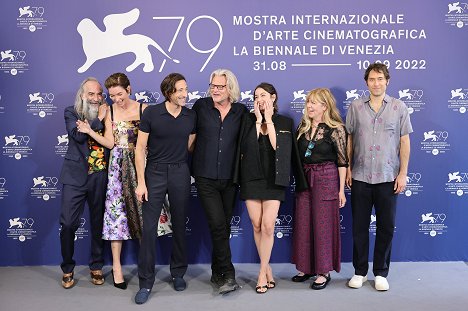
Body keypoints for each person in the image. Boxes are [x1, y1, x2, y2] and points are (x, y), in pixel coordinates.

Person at [77, 73, 147, 290]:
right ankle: (116, 267)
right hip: (117, 167)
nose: (116, 99)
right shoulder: (110, 110)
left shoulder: (145, 109)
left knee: (144, 217)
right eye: (112, 95)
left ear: (129, 89)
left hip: (140, 166)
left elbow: (150, 142)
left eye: (119, 94)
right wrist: (89, 130)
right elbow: (109, 142)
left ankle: (146, 266)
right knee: (117, 217)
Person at [346, 63, 412, 291]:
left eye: (380, 79)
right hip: (361, 176)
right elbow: (350, 140)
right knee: (359, 227)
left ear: (387, 81)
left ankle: (381, 272)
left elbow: (404, 142)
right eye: (372, 79)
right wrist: (347, 169)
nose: (376, 83)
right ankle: (360, 271)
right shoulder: (355, 107)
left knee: (386, 227)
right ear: (366, 82)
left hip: (388, 177)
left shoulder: (399, 107)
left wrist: (402, 173)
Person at [134, 73, 196, 304]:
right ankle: (145, 282)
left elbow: (191, 144)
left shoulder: (191, 115)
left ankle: (178, 272)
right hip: (155, 173)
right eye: (180, 90)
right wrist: (141, 181)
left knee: (180, 224)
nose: (184, 94)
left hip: (180, 171)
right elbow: (140, 149)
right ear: (168, 92)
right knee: (149, 229)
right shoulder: (151, 113)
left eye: (186, 89)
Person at [234, 82, 302, 294]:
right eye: (255, 96)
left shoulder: (285, 121)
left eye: (263, 95)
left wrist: (269, 121)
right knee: (256, 224)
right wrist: (257, 122)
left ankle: (262, 272)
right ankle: (267, 267)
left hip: (274, 180)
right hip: (251, 178)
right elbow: (248, 148)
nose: (259, 99)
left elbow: (279, 149)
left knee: (268, 226)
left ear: (273, 97)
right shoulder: (247, 121)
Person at [291, 88, 348, 290]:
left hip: (326, 177)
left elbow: (342, 162)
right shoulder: (302, 128)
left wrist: (341, 191)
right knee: (304, 222)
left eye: (314, 102)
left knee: (323, 226)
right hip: (304, 178)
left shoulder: (337, 129)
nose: (309, 106)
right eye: (308, 102)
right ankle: (306, 268)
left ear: (325, 106)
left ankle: (323, 271)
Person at [59, 77, 108, 289]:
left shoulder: (110, 111)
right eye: (91, 94)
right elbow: (77, 137)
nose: (96, 98)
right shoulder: (71, 112)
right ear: (82, 95)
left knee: (98, 223)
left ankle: (96, 265)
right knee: (68, 223)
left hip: (100, 175)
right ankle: (68, 267)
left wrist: (90, 126)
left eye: (99, 94)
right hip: (75, 177)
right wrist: (97, 121)